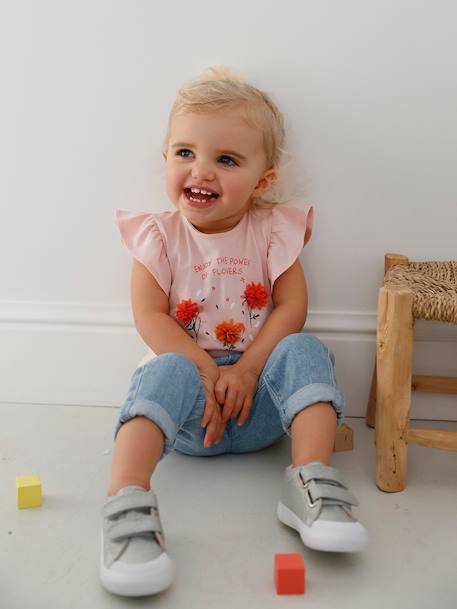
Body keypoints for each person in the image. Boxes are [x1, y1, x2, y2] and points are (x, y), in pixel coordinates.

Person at [100, 67, 368, 597]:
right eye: (185, 152)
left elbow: (291, 307)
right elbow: (151, 316)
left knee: (303, 348)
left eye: (226, 159)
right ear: (166, 159)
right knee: (166, 367)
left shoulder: (272, 229)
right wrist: (202, 368)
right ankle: (125, 499)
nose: (201, 171)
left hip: (260, 407)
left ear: (263, 180)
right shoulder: (159, 235)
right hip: (187, 416)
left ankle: (309, 481)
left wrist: (247, 369)